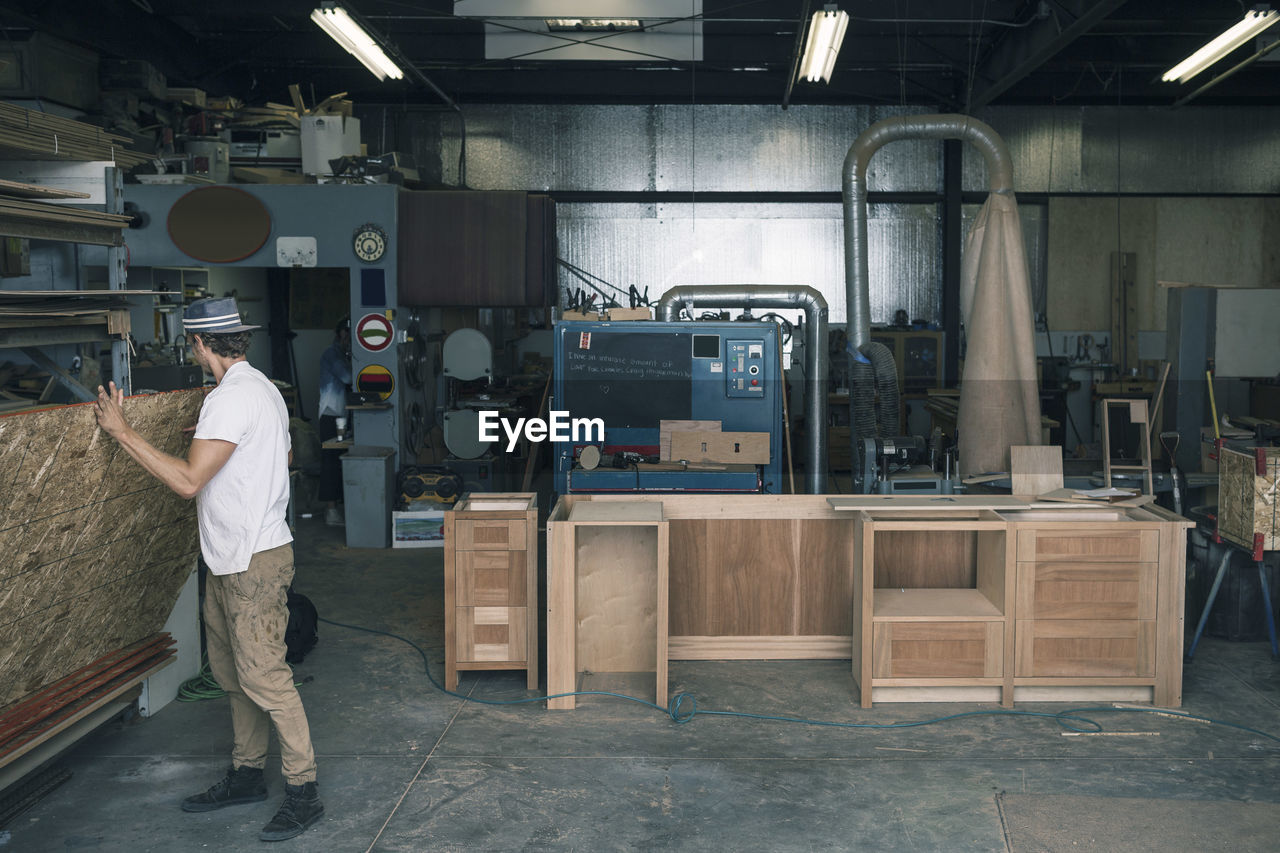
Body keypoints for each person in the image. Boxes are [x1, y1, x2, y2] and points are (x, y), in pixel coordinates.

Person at [94, 296, 324, 843]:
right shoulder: (260, 388)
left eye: (191, 345)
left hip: (253, 561)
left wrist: (123, 431)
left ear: (198, 344)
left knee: (265, 677)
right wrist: (212, 448)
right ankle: (247, 773)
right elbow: (281, 457)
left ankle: (303, 790)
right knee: (233, 673)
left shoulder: (230, 400)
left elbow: (188, 482)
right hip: (232, 557)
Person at [317, 316, 352, 526]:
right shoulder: (331, 354)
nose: (348, 337)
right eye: (346, 332)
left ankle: (337, 508)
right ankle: (331, 510)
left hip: (342, 414)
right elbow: (347, 377)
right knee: (330, 462)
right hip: (331, 414)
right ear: (339, 333)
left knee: (340, 462)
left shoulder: (343, 354)